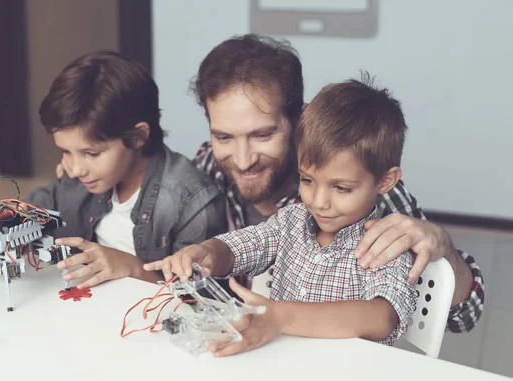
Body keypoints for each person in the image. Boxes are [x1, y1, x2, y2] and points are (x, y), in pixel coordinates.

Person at [187, 34, 484, 334]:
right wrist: (208, 253)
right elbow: (227, 253)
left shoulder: (377, 201)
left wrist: (441, 246)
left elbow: (461, 318)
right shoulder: (206, 168)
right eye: (224, 137)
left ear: (299, 120)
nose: (242, 160)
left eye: (261, 135)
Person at [145, 75, 418, 356]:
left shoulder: (386, 243)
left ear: (386, 181)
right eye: (308, 180)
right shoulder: (291, 221)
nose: (319, 201)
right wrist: (208, 252)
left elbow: (383, 317)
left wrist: (282, 316)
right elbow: (244, 246)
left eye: (341, 188)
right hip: (281, 366)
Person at [25, 50, 227, 289]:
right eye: (66, 151)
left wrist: (131, 267)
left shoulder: (193, 202)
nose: (76, 169)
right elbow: (31, 211)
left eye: (92, 153)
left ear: (139, 136)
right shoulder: (76, 174)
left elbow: (202, 302)